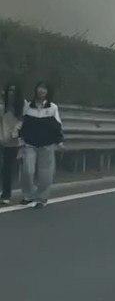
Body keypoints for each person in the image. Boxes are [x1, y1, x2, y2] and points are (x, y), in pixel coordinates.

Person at [20, 81, 64, 209]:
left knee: (45, 173)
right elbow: (22, 124)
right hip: (30, 143)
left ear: (47, 92)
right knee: (27, 170)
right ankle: (28, 195)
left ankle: (42, 197)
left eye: (44, 89)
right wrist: (21, 139)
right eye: (40, 88)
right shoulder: (28, 106)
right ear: (36, 90)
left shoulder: (52, 108)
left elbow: (57, 125)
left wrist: (59, 141)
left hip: (47, 144)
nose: (41, 91)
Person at [1, 80, 24, 205]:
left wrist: (16, 132)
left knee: (7, 168)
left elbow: (23, 122)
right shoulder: (2, 105)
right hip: (2, 139)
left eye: (14, 90)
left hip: (13, 142)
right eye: (9, 90)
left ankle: (6, 194)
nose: (11, 93)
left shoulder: (22, 106)